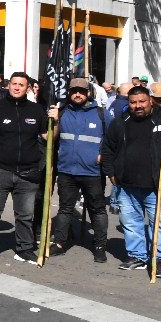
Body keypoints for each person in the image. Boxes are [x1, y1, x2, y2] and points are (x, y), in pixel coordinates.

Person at [101, 82, 161, 277]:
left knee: (160, 224)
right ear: (128, 103)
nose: (138, 106)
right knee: (131, 223)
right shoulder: (120, 122)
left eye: (142, 101)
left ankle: (159, 259)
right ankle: (138, 256)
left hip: (157, 186)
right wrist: (110, 172)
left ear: (150, 101)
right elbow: (107, 148)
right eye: (133, 102)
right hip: (127, 185)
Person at [0, 72, 48, 264]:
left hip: (28, 173)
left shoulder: (36, 110)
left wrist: (55, 121)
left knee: (25, 215)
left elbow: (49, 137)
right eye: (14, 84)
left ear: (28, 88)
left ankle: (24, 249)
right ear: (8, 85)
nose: (17, 87)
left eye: (21, 85)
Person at [48, 77, 109, 263]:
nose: (77, 94)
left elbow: (113, 138)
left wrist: (103, 155)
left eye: (81, 91)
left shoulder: (101, 114)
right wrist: (55, 121)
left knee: (97, 210)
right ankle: (59, 243)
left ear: (88, 93)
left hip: (93, 172)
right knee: (65, 208)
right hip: (67, 171)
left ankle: (100, 247)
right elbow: (53, 137)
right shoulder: (63, 111)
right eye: (74, 91)